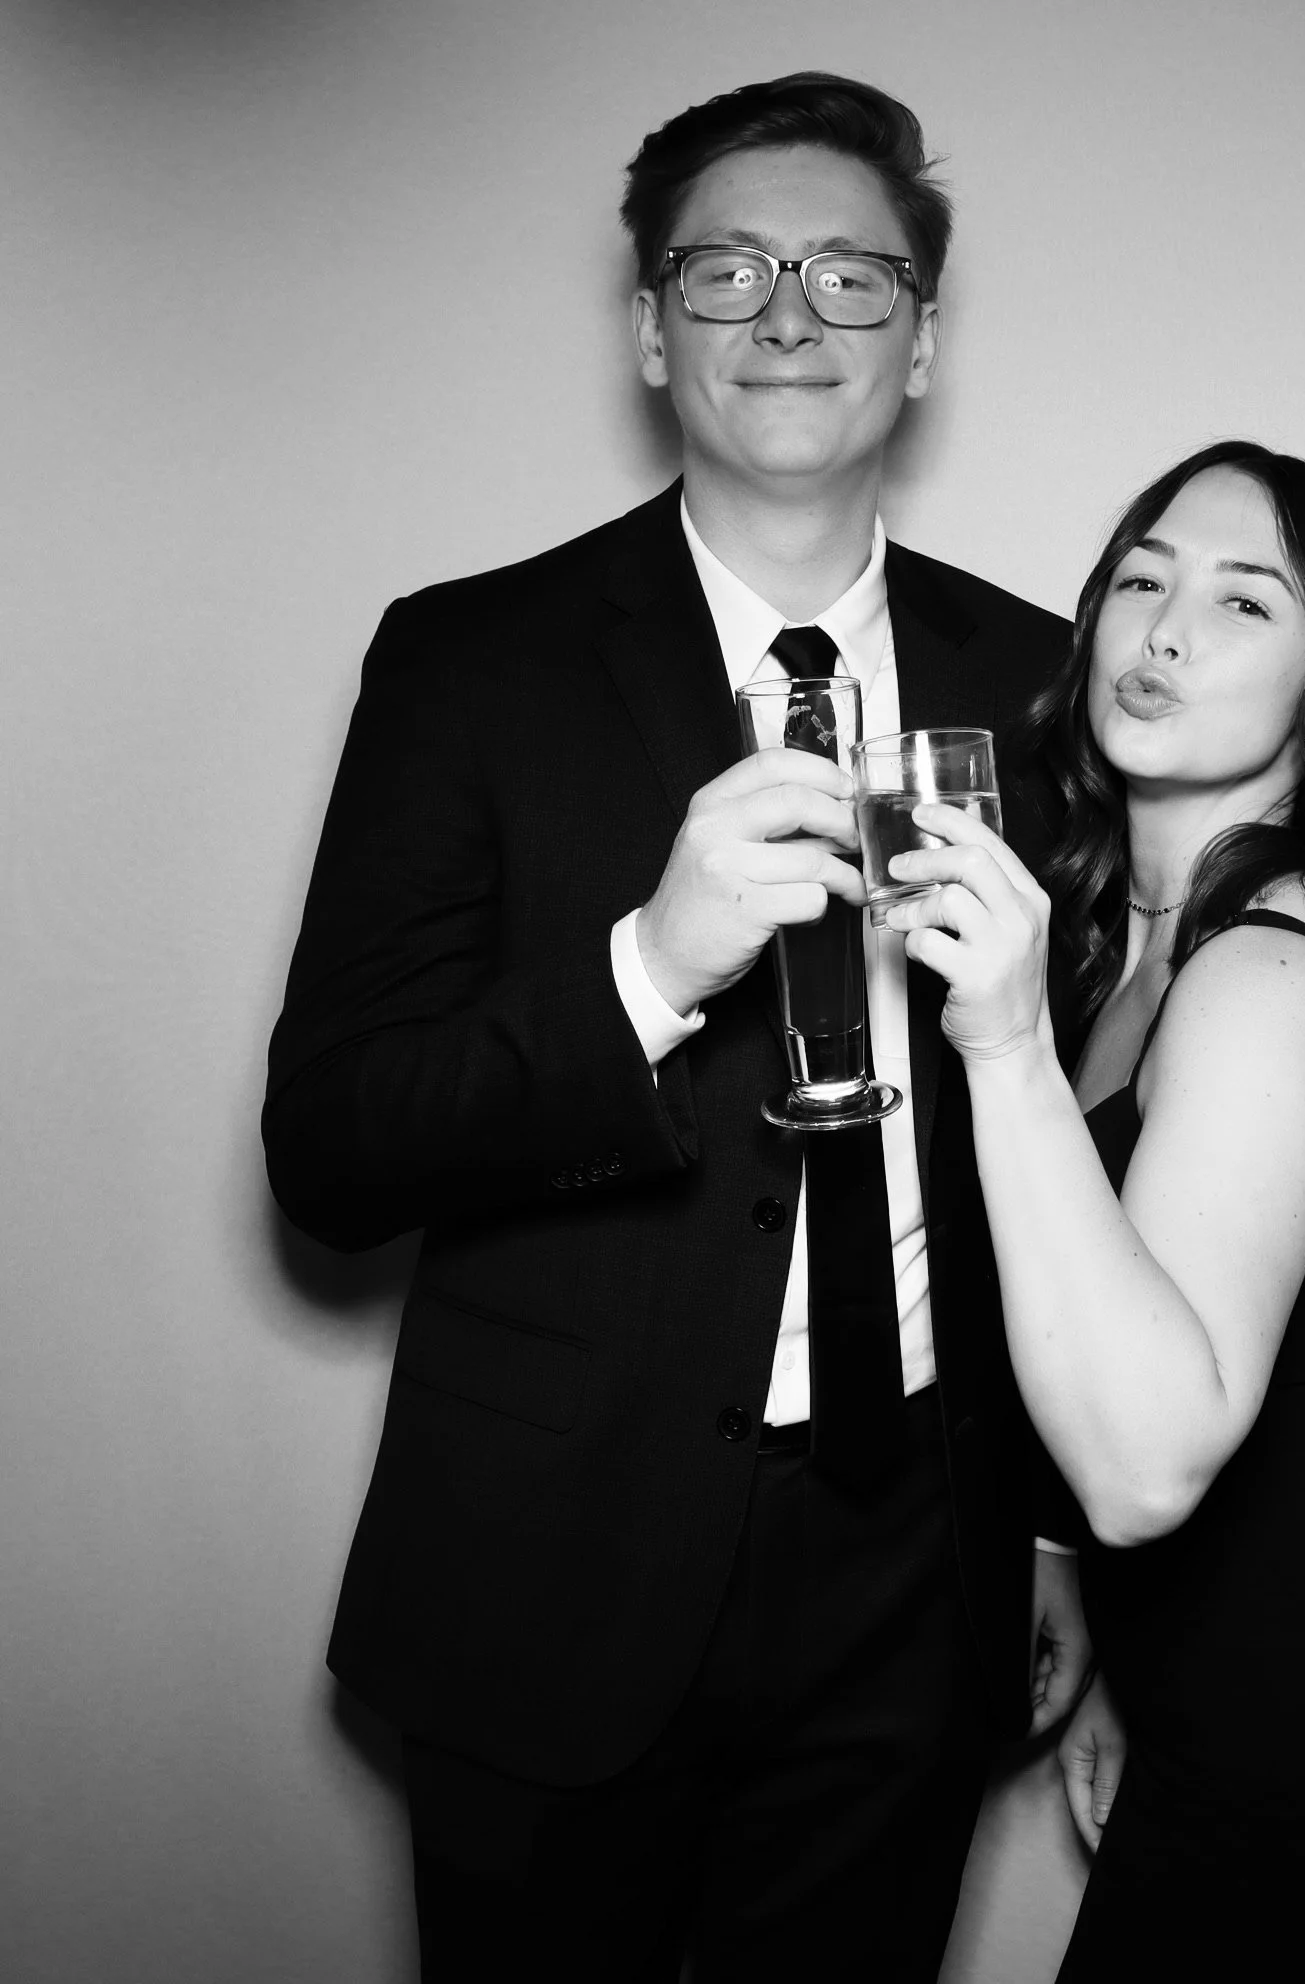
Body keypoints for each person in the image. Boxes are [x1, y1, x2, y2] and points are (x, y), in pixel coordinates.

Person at [263, 73, 1089, 1983]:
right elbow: (332, 1154)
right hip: (558, 1560)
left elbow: (1082, 1136)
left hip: (919, 1560)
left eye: (849, 274)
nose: (788, 314)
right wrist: (649, 965)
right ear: (650, 329)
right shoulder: (467, 662)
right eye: (726, 268)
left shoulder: (1035, 681)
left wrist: (1049, 1536)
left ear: (924, 338)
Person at [881, 440, 1305, 1979]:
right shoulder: (1141, 942)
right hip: (1226, 1706)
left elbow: (1151, 1465)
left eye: (1243, 602)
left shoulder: (1266, 975)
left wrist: (1005, 1044)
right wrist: (1090, 1605)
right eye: (1143, 581)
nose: (1164, 629)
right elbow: (1156, 1319)